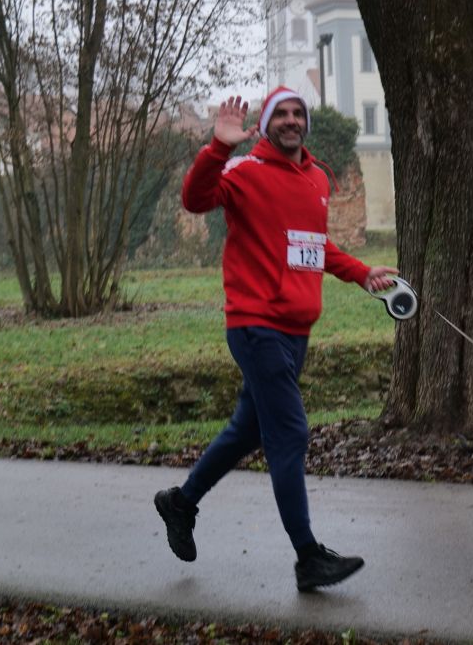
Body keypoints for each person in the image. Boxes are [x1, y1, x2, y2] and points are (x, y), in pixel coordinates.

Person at [153, 88, 398, 592]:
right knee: (289, 434)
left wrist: (360, 272)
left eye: (297, 114)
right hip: (255, 324)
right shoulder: (243, 173)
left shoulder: (316, 178)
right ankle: (308, 557)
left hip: (295, 331)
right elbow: (195, 199)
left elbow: (313, 244)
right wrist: (217, 147)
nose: (290, 121)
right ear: (265, 124)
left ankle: (181, 502)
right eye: (280, 114)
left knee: (248, 430)